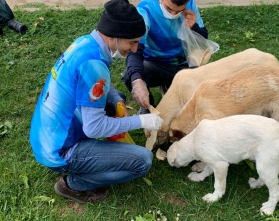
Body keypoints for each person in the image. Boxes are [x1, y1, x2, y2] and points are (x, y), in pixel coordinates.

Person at [29, 0, 163, 204]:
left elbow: (97, 88)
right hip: (61, 150)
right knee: (142, 161)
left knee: (116, 95)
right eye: (132, 42)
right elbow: (94, 128)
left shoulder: (85, 43)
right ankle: (74, 184)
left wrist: (117, 99)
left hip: (46, 136)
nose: (135, 49)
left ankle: (84, 162)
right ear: (114, 36)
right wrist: (142, 122)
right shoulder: (94, 66)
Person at [122, 0, 208, 114]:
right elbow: (135, 50)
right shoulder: (145, 10)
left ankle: (170, 84)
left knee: (194, 104)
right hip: (155, 64)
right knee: (130, 75)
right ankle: (148, 106)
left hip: (184, 62)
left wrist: (194, 27)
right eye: (169, 9)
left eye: (179, 11)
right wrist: (137, 81)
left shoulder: (190, 4)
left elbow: (203, 39)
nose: (173, 14)